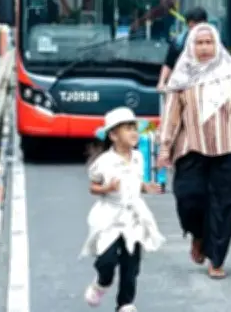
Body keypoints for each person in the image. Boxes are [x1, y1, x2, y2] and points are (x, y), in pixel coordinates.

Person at [156, 23, 231, 280]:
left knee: (225, 205)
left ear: (217, 46)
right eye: (199, 43)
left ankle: (216, 258)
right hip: (192, 146)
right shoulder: (182, 77)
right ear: (191, 46)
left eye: (209, 43)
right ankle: (199, 235)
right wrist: (165, 147)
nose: (204, 48)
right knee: (189, 198)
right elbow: (171, 115)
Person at [81, 107, 165, 312]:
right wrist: (106, 188)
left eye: (134, 128)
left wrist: (146, 187)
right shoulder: (103, 162)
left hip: (133, 216)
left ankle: (125, 304)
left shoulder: (138, 157)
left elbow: (136, 183)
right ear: (113, 135)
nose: (134, 133)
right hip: (109, 215)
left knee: (131, 264)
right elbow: (93, 187)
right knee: (107, 260)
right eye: (128, 129)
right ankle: (102, 282)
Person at [157, 7, 208, 92]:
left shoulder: (214, 41)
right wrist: (161, 82)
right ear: (188, 24)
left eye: (199, 24)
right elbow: (169, 63)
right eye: (193, 24)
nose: (196, 28)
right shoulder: (179, 42)